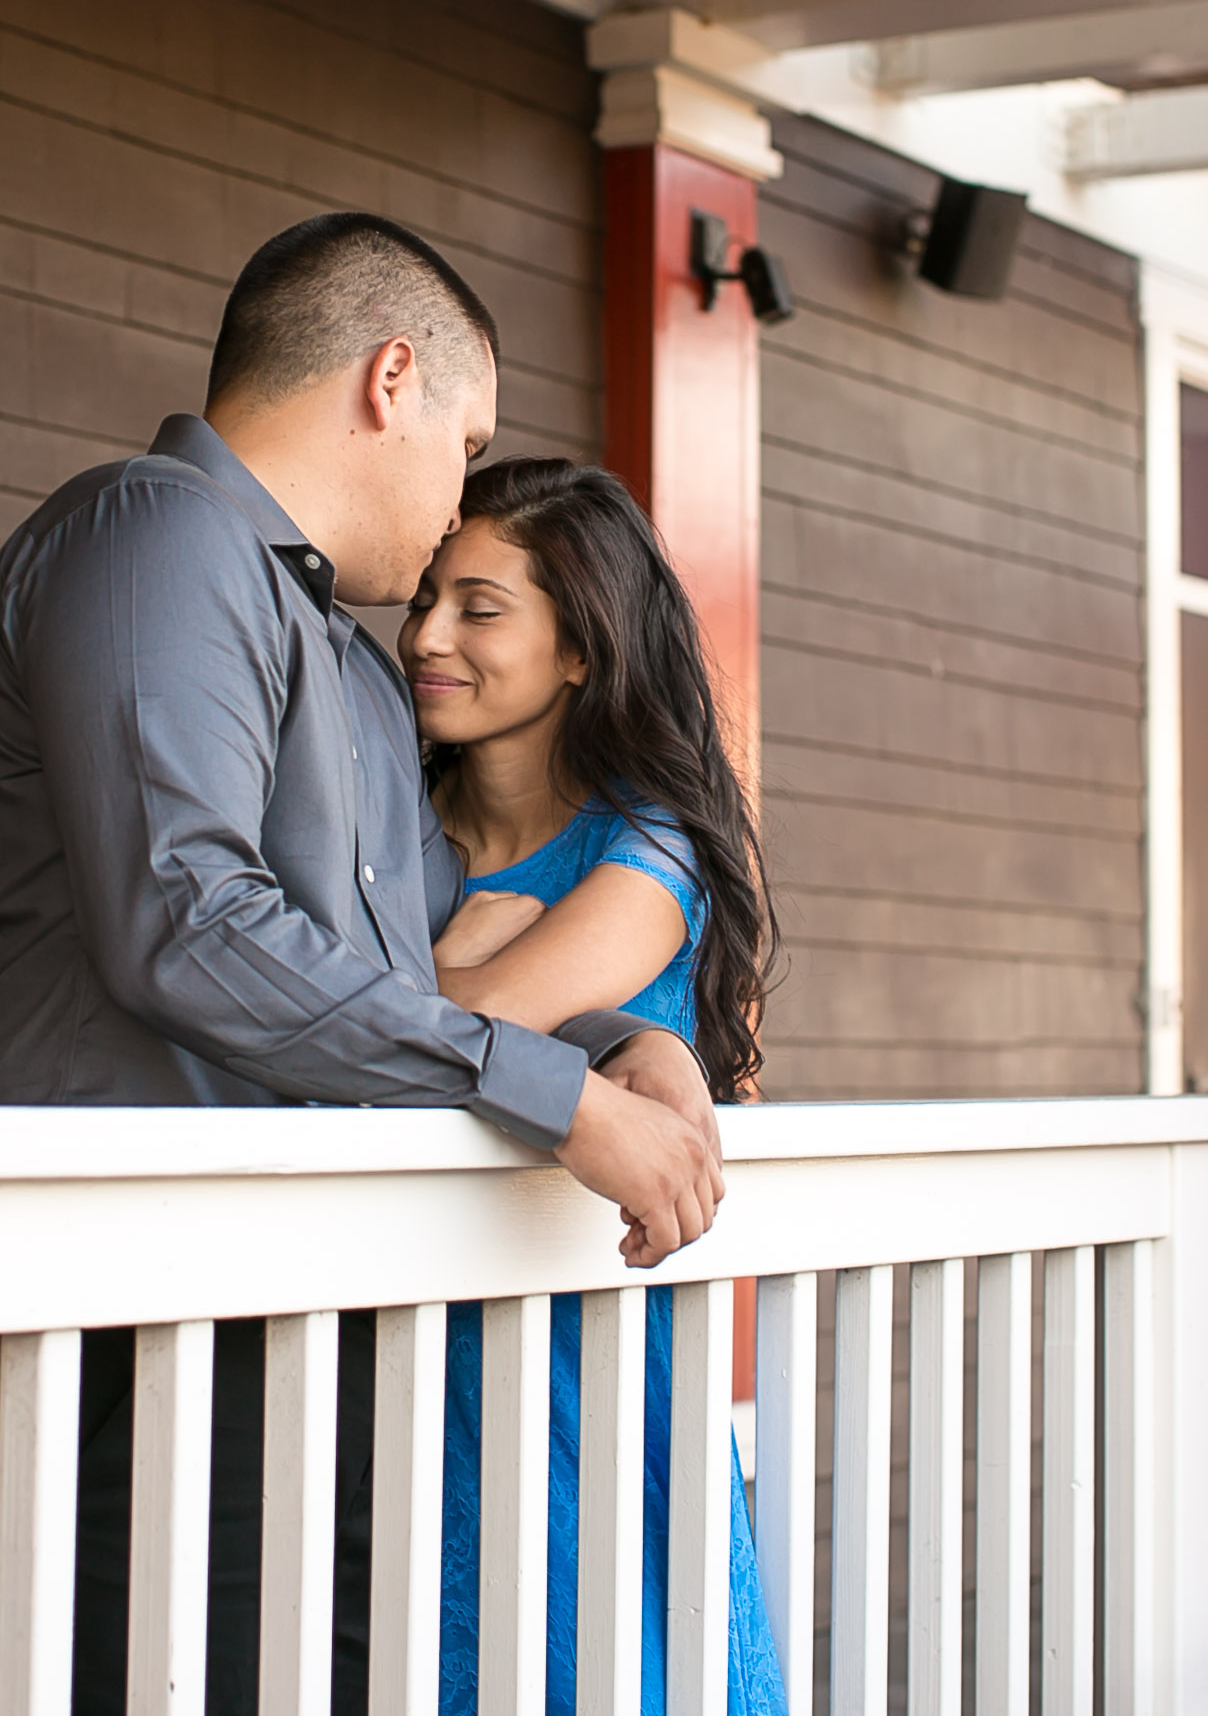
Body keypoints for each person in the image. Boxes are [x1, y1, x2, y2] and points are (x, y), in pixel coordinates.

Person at [0, 212, 724, 1716]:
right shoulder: (151, 535)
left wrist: (630, 1039)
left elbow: (427, 950)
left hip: (298, 1319)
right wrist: (558, 1096)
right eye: (464, 437)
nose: (452, 505)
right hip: (117, 1308)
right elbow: (190, 918)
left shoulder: (350, 665)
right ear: (391, 380)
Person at [399, 455, 786, 1716]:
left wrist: (452, 968)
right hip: (404, 1344)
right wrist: (458, 962)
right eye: (421, 598)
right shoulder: (391, 824)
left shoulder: (645, 841)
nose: (424, 635)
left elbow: (454, 1022)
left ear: (579, 648)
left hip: (596, 1363)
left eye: (477, 604)